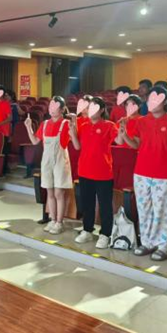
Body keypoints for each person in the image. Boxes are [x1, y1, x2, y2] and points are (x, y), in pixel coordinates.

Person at [118, 85, 167, 261]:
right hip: (141, 172)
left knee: (163, 211)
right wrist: (124, 134)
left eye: (156, 99)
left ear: (165, 101)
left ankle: (162, 245)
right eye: (150, 98)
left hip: (164, 174)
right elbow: (136, 144)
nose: (152, 102)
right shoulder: (142, 121)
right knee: (144, 209)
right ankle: (146, 242)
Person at [70, 97, 118, 249]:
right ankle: (87, 230)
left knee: (105, 206)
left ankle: (105, 234)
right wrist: (72, 132)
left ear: (102, 110)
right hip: (85, 170)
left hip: (103, 172)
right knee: (87, 204)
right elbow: (77, 146)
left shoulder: (109, 125)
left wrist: (123, 130)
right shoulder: (84, 126)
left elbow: (120, 140)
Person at [24, 96, 73, 235]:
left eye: (55, 107)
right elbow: (35, 141)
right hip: (46, 161)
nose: (52, 109)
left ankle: (59, 222)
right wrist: (28, 127)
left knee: (59, 193)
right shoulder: (45, 124)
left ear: (62, 109)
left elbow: (73, 140)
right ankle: (52, 219)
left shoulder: (66, 124)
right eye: (50, 106)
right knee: (50, 192)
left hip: (60, 161)